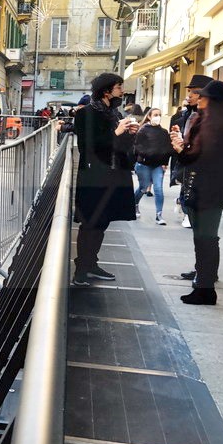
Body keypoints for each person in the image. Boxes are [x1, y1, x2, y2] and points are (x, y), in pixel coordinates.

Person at [169, 80, 223, 305]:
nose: (198, 98)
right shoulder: (219, 120)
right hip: (210, 187)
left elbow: (202, 157)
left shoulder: (217, 123)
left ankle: (205, 289)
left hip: (209, 188)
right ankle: (204, 284)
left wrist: (181, 150)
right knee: (204, 238)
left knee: (205, 238)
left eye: (203, 96)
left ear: (213, 100)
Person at [72, 73, 138, 287]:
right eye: (119, 87)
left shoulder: (113, 114)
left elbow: (118, 147)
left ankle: (91, 264)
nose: (122, 91)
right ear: (106, 91)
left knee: (102, 222)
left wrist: (129, 134)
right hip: (94, 177)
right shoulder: (85, 114)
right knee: (90, 222)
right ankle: (81, 269)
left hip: (114, 176)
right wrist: (116, 133)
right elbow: (87, 147)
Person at [170, 75, 213, 227]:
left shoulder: (212, 116)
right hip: (188, 158)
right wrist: (179, 136)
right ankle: (187, 212)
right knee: (187, 186)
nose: (189, 96)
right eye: (189, 91)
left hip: (205, 163)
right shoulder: (188, 114)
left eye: (194, 92)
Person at [133, 107, 174, 225]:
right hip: (144, 164)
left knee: (158, 189)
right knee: (143, 187)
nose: (158, 117)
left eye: (159, 115)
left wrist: (165, 162)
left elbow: (168, 148)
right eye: (155, 115)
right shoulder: (142, 130)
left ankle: (159, 215)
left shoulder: (164, 132)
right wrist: (146, 154)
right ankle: (135, 204)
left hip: (158, 165)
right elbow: (137, 147)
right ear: (149, 116)